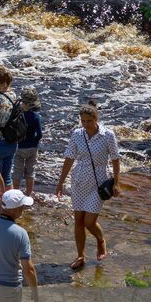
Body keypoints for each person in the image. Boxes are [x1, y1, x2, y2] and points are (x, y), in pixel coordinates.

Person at [56, 103, 122, 271]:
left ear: (96, 119)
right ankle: (80, 256)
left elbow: (115, 158)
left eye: (89, 121)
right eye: (83, 121)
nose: (86, 124)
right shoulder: (77, 134)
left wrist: (117, 182)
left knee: (89, 222)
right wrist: (61, 182)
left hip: (99, 181)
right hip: (79, 180)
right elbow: (69, 158)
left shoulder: (107, 135)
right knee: (78, 221)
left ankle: (100, 240)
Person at [13, 87, 43, 195]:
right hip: (32, 148)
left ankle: (15, 194)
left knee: (17, 172)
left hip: (19, 147)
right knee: (30, 173)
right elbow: (39, 135)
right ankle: (28, 195)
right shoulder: (36, 117)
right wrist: (35, 142)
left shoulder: (17, 114)